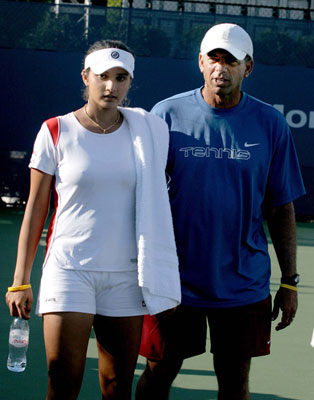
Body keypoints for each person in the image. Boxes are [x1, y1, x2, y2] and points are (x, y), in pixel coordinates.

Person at [135, 23, 306, 400]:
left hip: (243, 285)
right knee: (157, 375)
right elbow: (141, 198)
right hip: (174, 283)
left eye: (231, 60)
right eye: (214, 57)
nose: (221, 67)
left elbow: (281, 209)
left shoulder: (271, 124)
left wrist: (290, 281)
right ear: (200, 62)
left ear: (248, 67)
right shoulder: (165, 115)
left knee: (234, 382)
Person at [5, 39, 180, 400]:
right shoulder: (55, 130)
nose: (111, 86)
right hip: (69, 272)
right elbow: (36, 209)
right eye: (102, 76)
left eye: (121, 78)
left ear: (130, 82)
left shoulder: (145, 133)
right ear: (85, 77)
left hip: (126, 277)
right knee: (63, 380)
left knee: (116, 386)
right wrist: (20, 280)